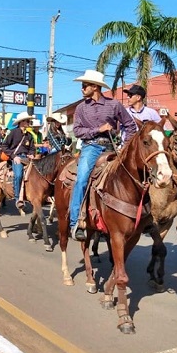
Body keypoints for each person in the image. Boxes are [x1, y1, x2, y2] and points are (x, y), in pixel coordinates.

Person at [69, 69, 137, 241]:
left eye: (85, 85)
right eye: (83, 85)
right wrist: (98, 130)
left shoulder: (114, 105)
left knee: (132, 175)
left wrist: (125, 146)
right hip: (91, 147)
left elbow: (130, 125)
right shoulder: (81, 108)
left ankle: (140, 216)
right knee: (82, 179)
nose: (82, 88)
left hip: (112, 148)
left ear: (95, 87)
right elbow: (77, 130)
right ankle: (75, 222)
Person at [0, 111, 36, 210]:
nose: (29, 122)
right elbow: (4, 146)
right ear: (21, 122)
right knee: (19, 174)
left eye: (29, 121)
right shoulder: (13, 132)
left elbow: (32, 148)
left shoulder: (29, 135)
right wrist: (14, 156)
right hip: (17, 157)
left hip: (27, 158)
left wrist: (32, 154)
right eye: (27, 121)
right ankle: (17, 198)